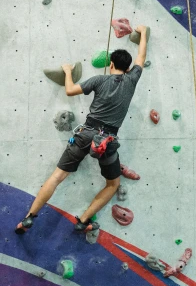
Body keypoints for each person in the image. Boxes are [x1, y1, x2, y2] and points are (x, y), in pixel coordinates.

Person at [15, 25, 148, 235]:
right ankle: (83, 220)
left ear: (111, 64)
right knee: (113, 185)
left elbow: (70, 90)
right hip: (107, 142)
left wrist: (68, 72)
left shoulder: (99, 80)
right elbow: (141, 55)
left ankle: (29, 218)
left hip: (86, 133)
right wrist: (143, 34)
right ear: (128, 68)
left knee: (57, 177)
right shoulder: (132, 80)